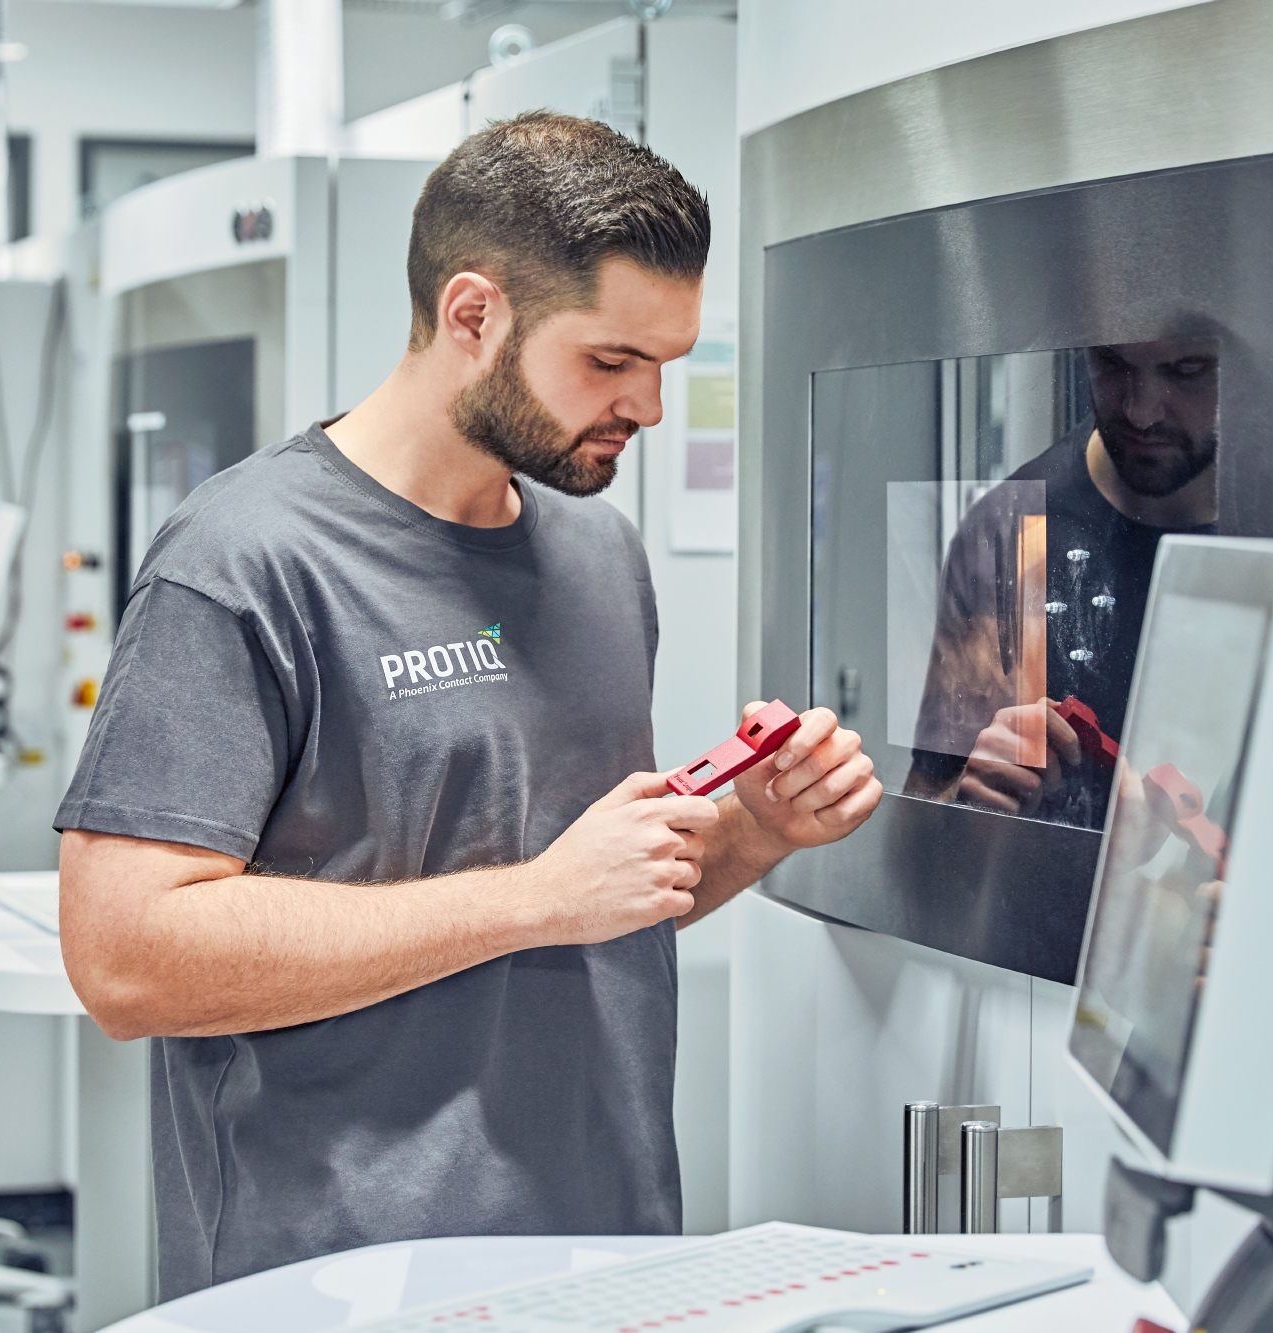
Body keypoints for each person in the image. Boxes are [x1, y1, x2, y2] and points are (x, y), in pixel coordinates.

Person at [54, 113, 883, 1298]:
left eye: (667, 362)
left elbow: (591, 912)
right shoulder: (243, 561)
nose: (648, 407)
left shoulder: (599, 555)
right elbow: (126, 960)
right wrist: (537, 896)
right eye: (609, 361)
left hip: (607, 1249)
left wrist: (755, 829)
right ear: (473, 316)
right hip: (335, 1279)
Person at [904, 337, 1220, 826]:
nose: (1140, 411)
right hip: (1044, 900)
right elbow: (920, 827)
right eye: (1112, 363)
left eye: (1186, 369)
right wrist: (970, 803)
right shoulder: (1017, 535)